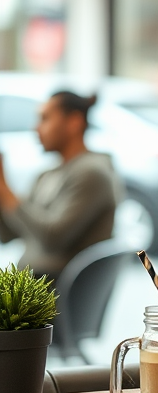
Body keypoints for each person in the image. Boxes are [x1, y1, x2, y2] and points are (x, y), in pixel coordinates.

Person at [0, 91, 120, 279]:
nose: (36, 129)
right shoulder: (47, 174)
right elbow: (8, 234)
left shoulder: (92, 173)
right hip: (28, 284)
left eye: (45, 119)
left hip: (54, 291)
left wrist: (6, 192)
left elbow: (53, 239)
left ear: (74, 122)